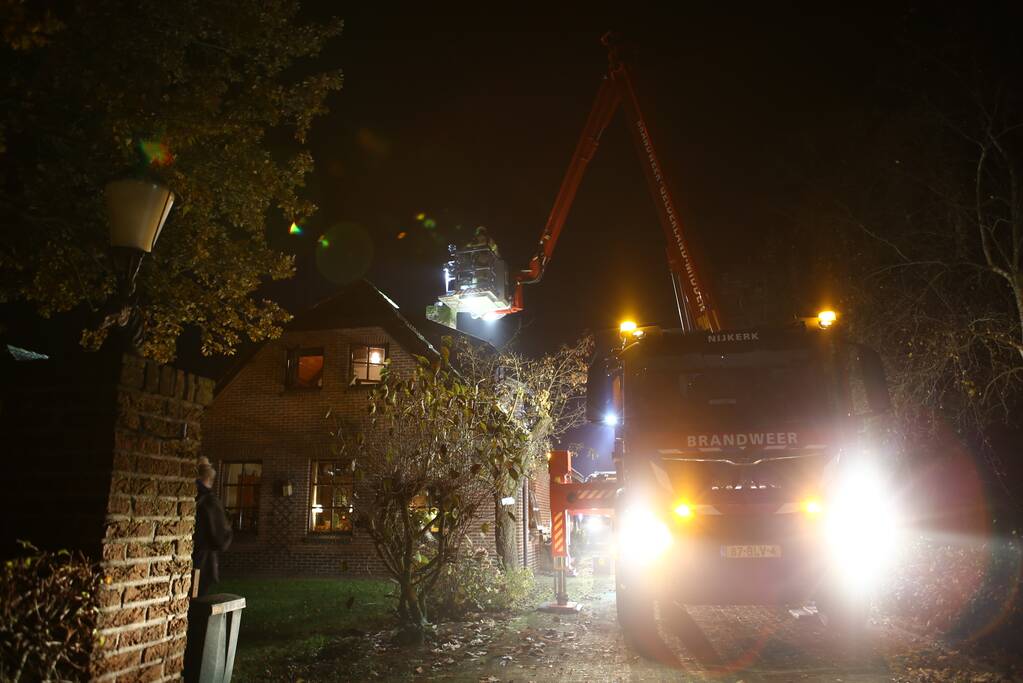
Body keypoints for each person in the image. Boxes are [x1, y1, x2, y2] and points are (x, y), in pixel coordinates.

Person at [192, 457, 233, 597]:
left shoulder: (187, 496)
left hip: (185, 562)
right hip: (200, 566)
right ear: (209, 478)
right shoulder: (210, 501)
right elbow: (220, 540)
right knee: (195, 606)